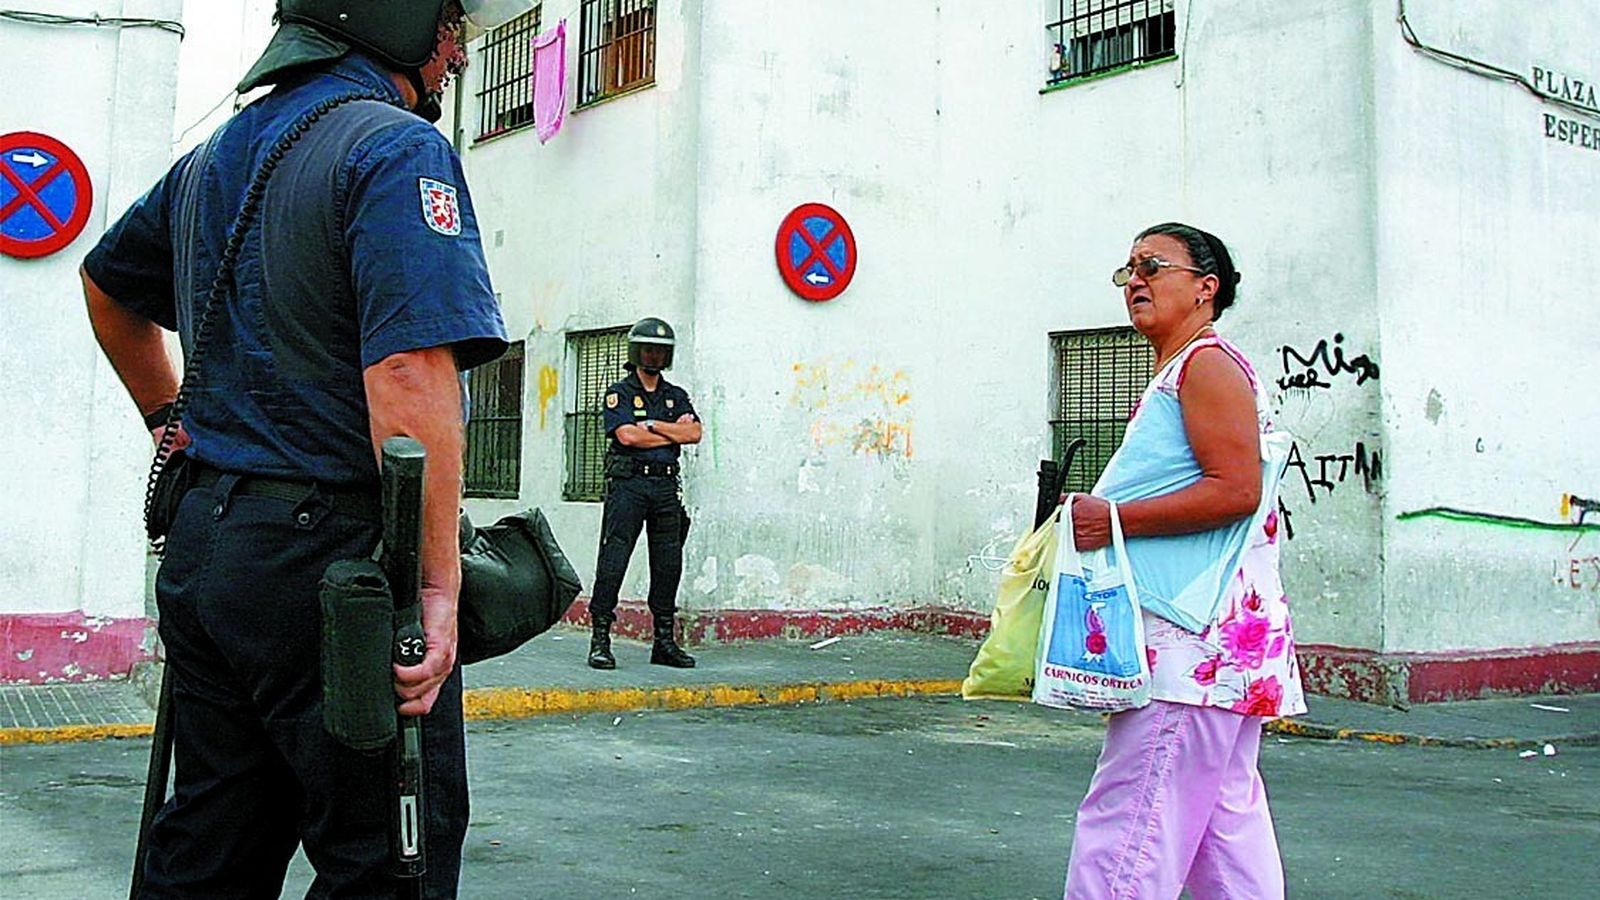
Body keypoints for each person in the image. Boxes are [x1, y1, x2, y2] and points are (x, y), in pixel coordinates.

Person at [81, 1, 532, 895]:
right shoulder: (395, 146)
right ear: (392, 23)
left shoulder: (213, 158)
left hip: (211, 547)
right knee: (386, 858)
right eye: (446, 23)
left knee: (212, 843)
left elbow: (107, 286)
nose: (456, 48)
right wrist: (438, 588)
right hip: (335, 570)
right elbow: (407, 372)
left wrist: (166, 420)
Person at [1062, 223, 1306, 899]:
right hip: (1219, 652)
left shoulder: (1206, 365)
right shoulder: (1190, 368)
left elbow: (1236, 489)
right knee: (1222, 834)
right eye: (1128, 270)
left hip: (1189, 653)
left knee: (1131, 827)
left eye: (1153, 266)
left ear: (1207, 287)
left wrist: (1110, 518)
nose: (1135, 280)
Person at [586, 317, 702, 670]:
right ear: (637, 352)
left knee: (668, 564)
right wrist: (671, 433)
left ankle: (664, 642)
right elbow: (627, 437)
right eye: (648, 349)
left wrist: (651, 426)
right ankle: (600, 640)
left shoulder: (675, 395)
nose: (654, 356)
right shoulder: (618, 393)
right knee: (613, 560)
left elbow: (694, 433)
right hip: (629, 486)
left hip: (666, 486)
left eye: (660, 351)